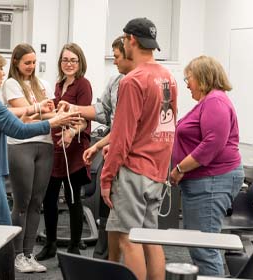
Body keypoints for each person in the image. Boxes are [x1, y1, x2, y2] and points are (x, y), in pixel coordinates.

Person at [0, 48, 80, 280]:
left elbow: (15, 117)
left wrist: (38, 110)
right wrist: (54, 122)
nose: (2, 73)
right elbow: (19, 129)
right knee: (4, 231)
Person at [100, 17, 178, 280]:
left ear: (130, 40)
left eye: (124, 39)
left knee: (129, 240)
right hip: (157, 170)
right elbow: (168, 128)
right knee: (150, 238)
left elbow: (122, 137)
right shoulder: (168, 78)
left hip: (134, 171)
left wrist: (106, 176)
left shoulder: (133, 80)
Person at [57, 37, 135, 260]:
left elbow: (124, 125)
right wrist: (73, 108)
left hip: (127, 157)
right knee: (106, 210)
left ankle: (117, 263)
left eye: (117, 56)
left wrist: (97, 143)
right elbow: (101, 110)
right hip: (111, 151)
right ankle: (104, 260)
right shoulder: (115, 80)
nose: (114, 60)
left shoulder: (137, 83)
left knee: (125, 222)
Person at [169, 55, 244, 276]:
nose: (187, 84)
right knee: (199, 245)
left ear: (202, 78)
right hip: (204, 182)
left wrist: (180, 168)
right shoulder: (208, 102)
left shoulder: (215, 102)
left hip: (212, 181)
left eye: (188, 78)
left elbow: (212, 144)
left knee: (204, 248)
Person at [36, 43, 93, 260]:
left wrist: (71, 133)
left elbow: (85, 117)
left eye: (73, 60)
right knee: (49, 199)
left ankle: (74, 248)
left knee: (72, 199)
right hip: (57, 149)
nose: (69, 64)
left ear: (80, 63)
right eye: (65, 60)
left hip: (74, 150)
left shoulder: (83, 85)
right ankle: (50, 244)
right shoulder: (59, 85)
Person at [1, 43, 54, 273]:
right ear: (15, 62)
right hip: (20, 145)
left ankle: (29, 253)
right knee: (21, 202)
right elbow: (23, 115)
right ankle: (16, 255)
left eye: (34, 62)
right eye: (27, 63)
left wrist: (38, 112)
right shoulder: (10, 84)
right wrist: (42, 111)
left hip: (45, 145)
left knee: (36, 202)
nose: (31, 67)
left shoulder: (44, 84)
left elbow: (43, 113)